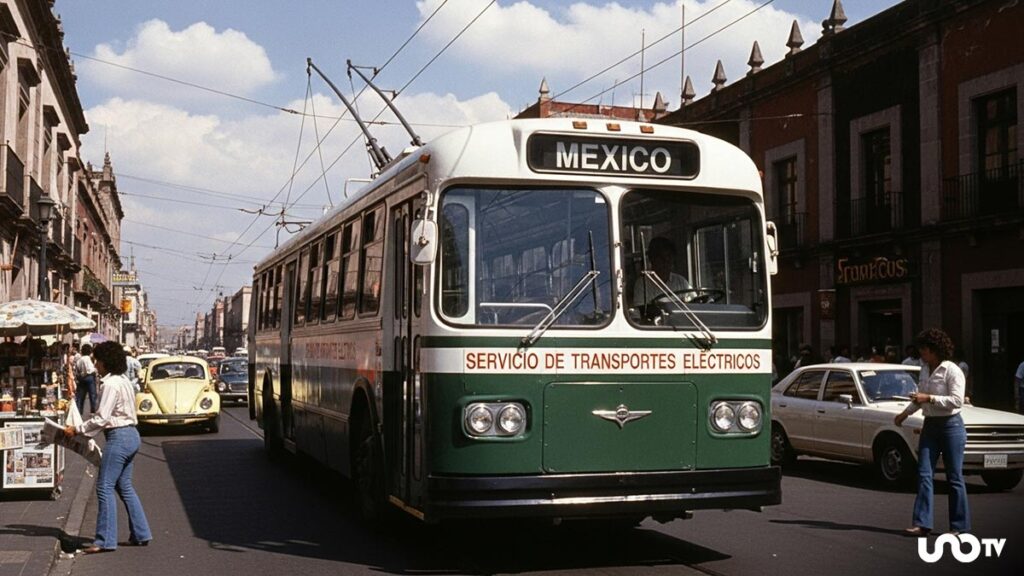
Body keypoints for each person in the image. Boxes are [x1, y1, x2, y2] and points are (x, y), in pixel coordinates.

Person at [64, 341, 152, 553]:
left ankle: (105, 540)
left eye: (97, 361)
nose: (95, 366)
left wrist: (77, 429)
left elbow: (102, 418)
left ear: (105, 362)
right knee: (125, 486)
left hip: (119, 437)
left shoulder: (110, 384)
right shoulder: (123, 381)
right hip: (132, 435)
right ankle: (141, 533)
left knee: (104, 487)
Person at [894, 328, 969, 536]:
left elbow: (956, 400)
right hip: (930, 425)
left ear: (935, 350)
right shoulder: (925, 369)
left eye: (925, 351)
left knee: (954, 477)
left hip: (951, 426)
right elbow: (919, 397)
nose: (922, 355)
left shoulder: (952, 370)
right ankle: (922, 523)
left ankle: (959, 526)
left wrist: (929, 398)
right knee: (924, 473)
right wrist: (905, 414)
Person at [631, 237, 692, 307]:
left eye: (669, 257)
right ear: (652, 259)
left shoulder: (681, 282)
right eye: (661, 258)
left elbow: (694, 303)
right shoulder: (642, 284)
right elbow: (640, 312)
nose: (666, 261)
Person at [74, 344, 98, 415]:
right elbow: (91, 369)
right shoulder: (88, 358)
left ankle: (79, 411)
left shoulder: (79, 360)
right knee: (92, 394)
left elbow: (77, 369)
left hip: (81, 378)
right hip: (89, 376)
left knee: (80, 396)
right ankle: (93, 410)